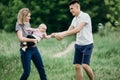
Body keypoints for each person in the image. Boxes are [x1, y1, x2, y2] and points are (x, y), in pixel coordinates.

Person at [51, 0, 94, 80]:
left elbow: (77, 29)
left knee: (85, 65)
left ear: (77, 7)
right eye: (70, 9)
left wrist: (62, 35)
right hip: (78, 45)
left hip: (87, 45)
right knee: (77, 66)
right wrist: (56, 33)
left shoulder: (85, 16)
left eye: (72, 8)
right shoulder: (74, 19)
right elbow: (69, 31)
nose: (70, 11)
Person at [15, 8, 47, 80]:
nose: (30, 18)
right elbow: (21, 38)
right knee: (26, 72)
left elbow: (31, 33)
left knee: (41, 69)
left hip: (34, 49)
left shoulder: (28, 23)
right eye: (28, 16)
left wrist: (40, 35)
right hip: (26, 51)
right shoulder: (18, 25)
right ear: (24, 16)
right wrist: (33, 39)